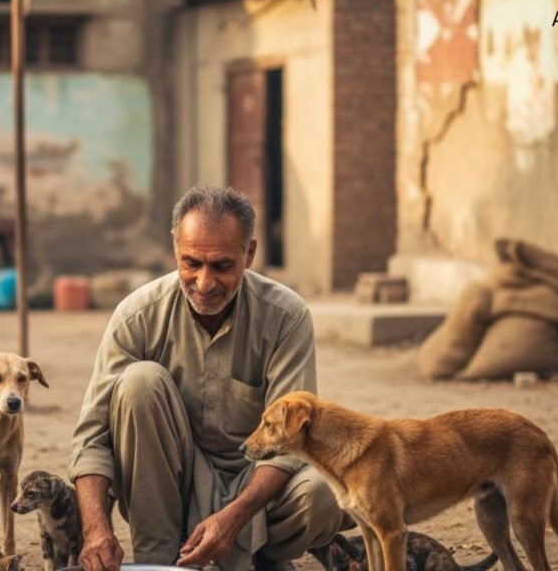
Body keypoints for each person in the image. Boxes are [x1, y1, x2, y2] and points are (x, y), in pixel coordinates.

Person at [69, 185, 349, 571]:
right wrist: (96, 531)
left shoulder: (286, 316)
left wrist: (233, 517)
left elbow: (289, 441)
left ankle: (255, 554)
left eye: (221, 266)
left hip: (257, 489)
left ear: (249, 254)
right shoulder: (137, 316)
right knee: (139, 383)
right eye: (191, 263)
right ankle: (162, 560)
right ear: (174, 248)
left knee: (323, 494)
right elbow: (92, 439)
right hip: (171, 489)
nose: (204, 283)